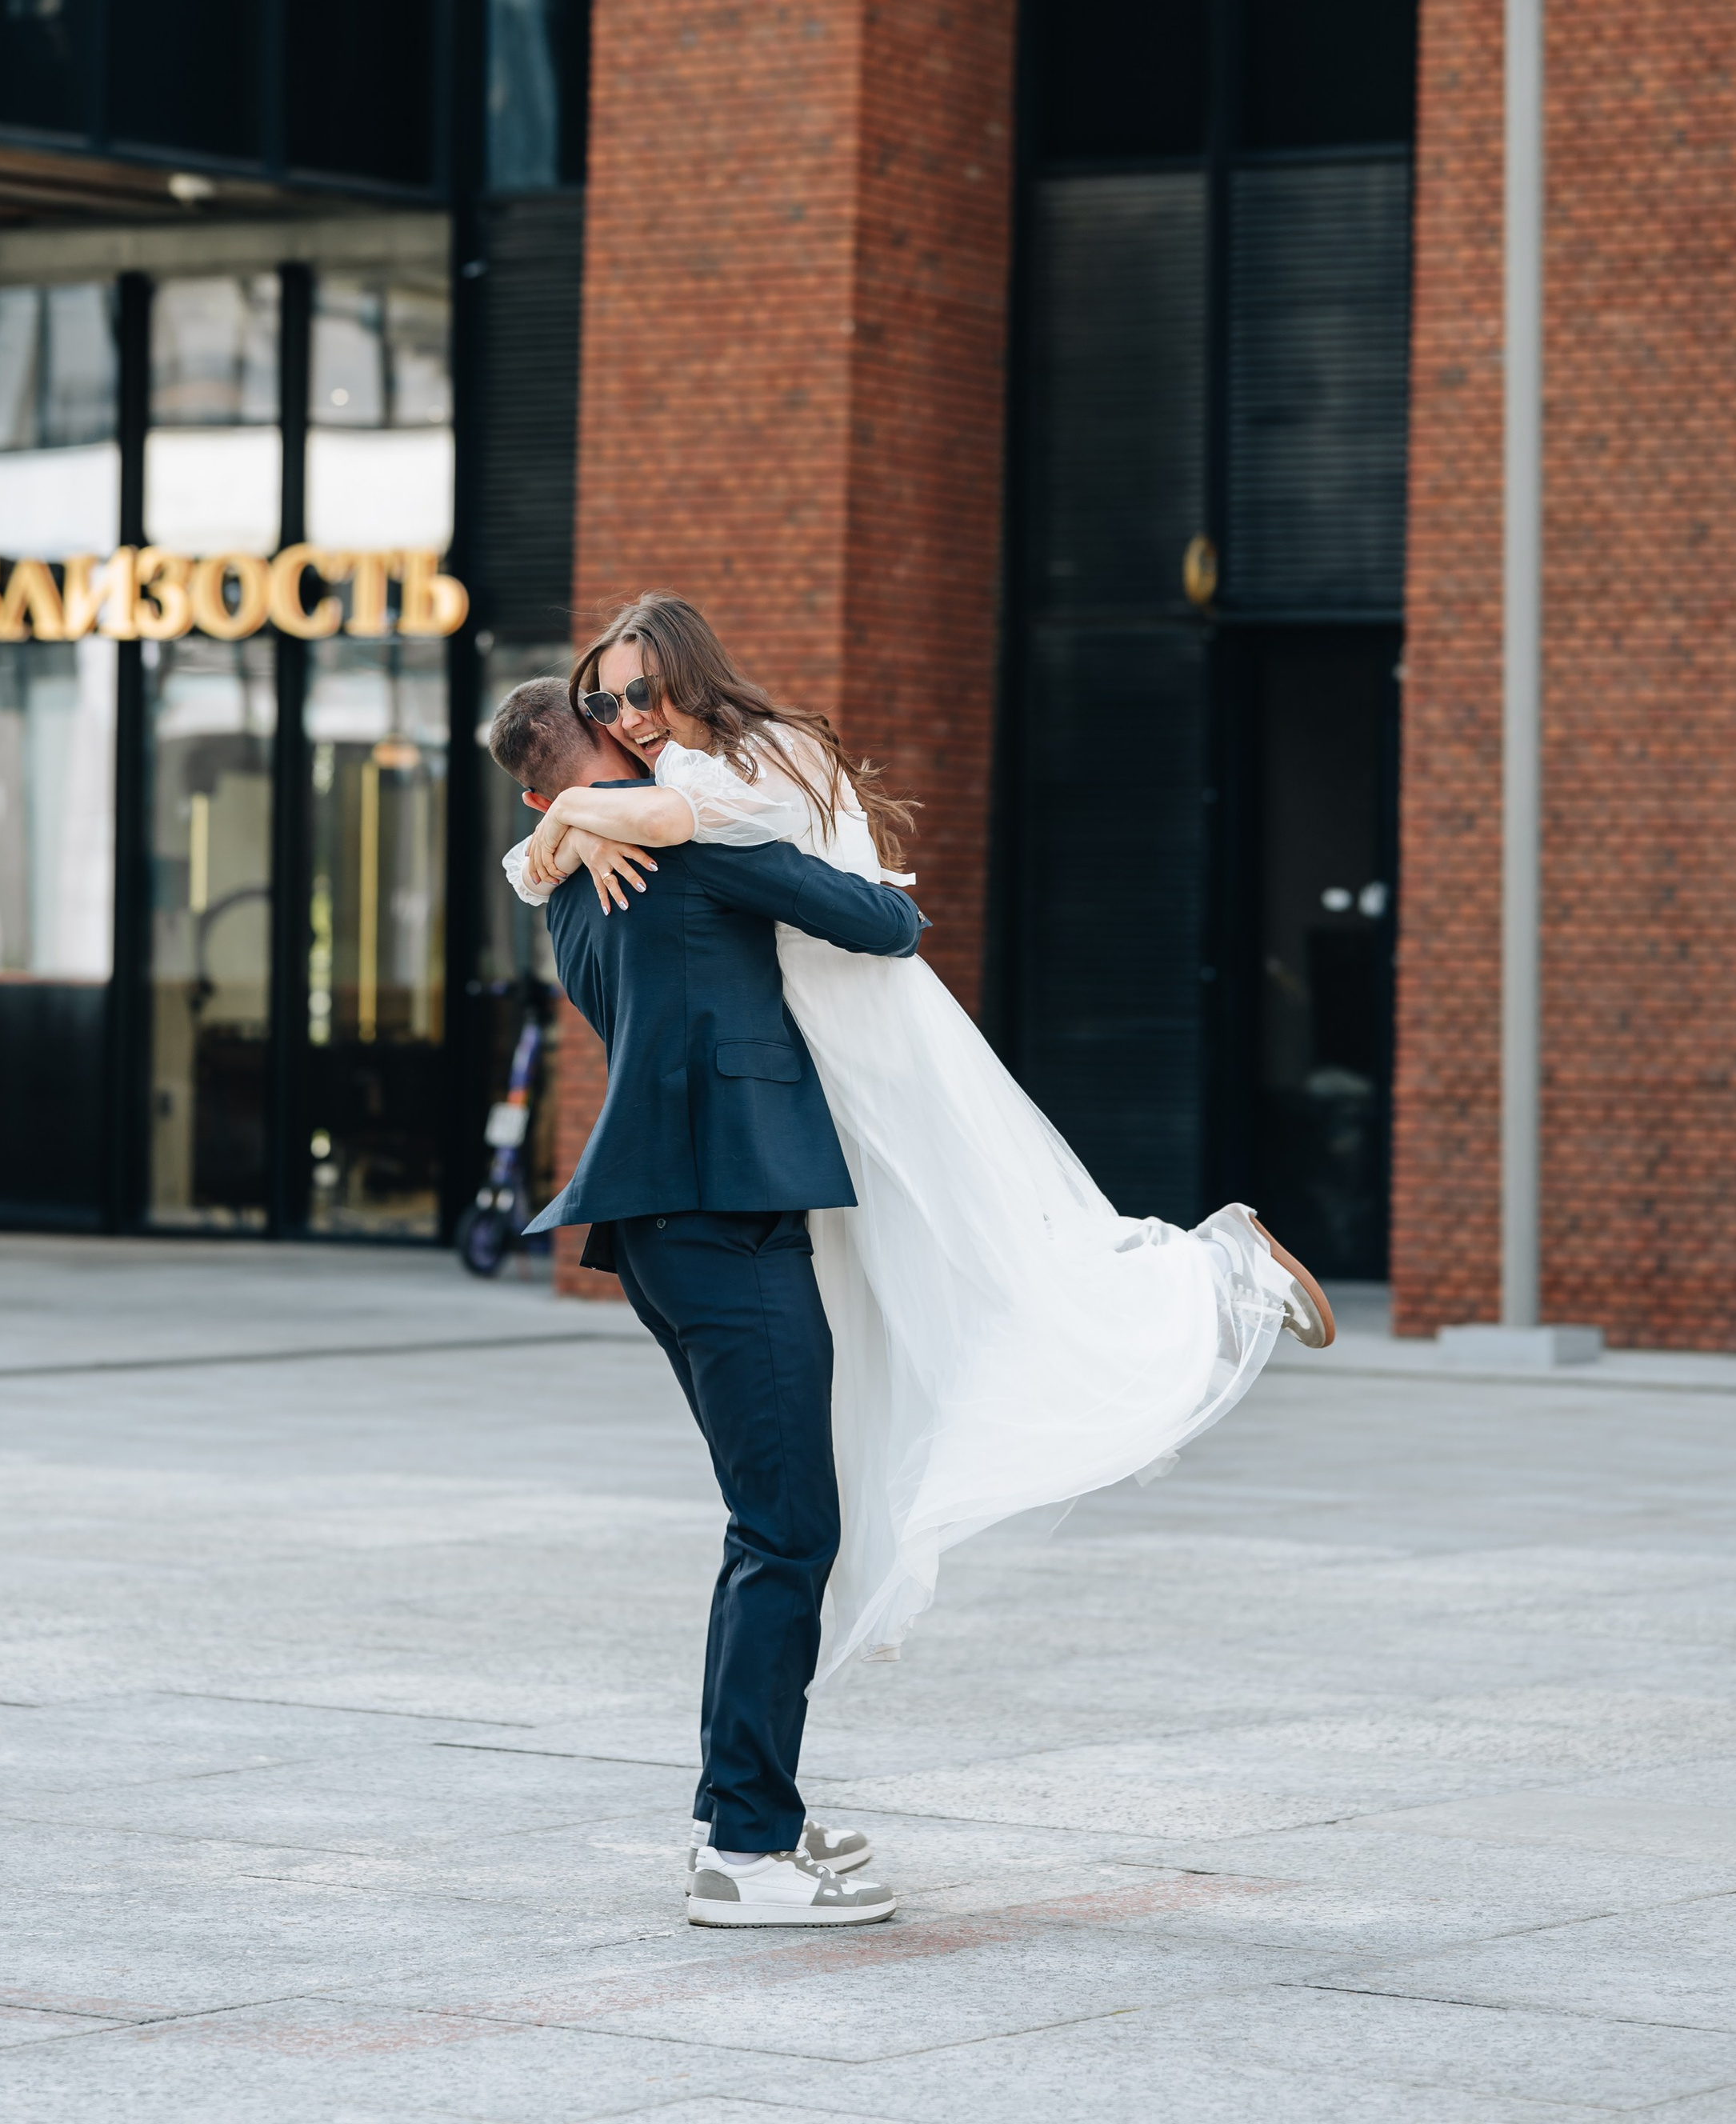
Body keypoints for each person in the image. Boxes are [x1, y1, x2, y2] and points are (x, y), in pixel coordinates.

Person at [503, 594, 1337, 1703]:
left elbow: (854, 911)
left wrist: (569, 820)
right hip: (788, 1100)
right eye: (605, 700)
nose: (629, 713)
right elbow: (629, 841)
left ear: (689, 681)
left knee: (977, 1260)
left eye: (641, 691)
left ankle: (1215, 1274)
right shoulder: (643, 817)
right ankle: (806, 1704)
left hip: (858, 1046)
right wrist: (574, 821)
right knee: (893, 1328)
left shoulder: (724, 781)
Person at [484, 676, 918, 1930]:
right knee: (786, 1533)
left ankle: (744, 1808)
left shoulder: (570, 881)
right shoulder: (692, 853)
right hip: (724, 1218)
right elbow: (890, 926)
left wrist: (567, 827)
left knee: (769, 1527)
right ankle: (743, 1847)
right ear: (619, 749)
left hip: (672, 1224)